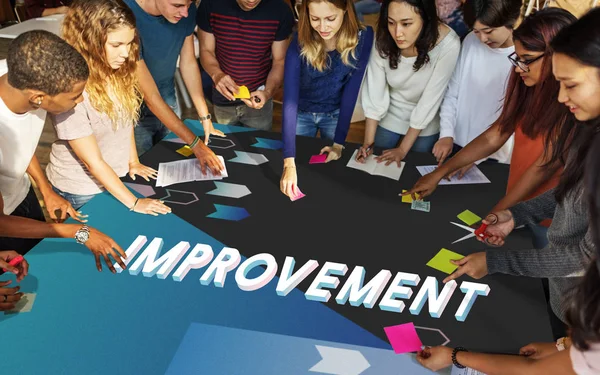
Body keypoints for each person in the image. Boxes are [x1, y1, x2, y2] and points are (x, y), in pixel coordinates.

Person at [417, 10, 600, 373]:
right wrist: (515, 213)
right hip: (570, 320)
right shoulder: (587, 130)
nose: (562, 97)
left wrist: (496, 261)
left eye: (571, 84)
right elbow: (570, 193)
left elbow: (582, 256)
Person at [406, 8, 577, 249]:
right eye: (516, 57)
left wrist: (496, 213)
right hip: (516, 198)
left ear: (557, 56)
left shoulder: (575, 104)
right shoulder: (526, 81)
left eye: (526, 59)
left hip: (552, 214)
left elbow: (544, 166)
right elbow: (497, 133)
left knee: (542, 270)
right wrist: (438, 173)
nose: (518, 67)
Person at [0, 31, 127, 272]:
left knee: (41, 262)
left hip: (22, 194)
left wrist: (45, 189)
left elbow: (19, 145)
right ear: (38, 97)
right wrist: (78, 232)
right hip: (5, 224)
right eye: (75, 96)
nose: (80, 101)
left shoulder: (20, 73)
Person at [45, 0, 172, 216]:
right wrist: (134, 203)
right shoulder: (70, 88)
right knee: (89, 242)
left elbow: (124, 119)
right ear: (90, 40)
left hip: (114, 176)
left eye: (130, 43)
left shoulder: (118, 69)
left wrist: (133, 161)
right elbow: (92, 162)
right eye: (116, 45)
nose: (125, 53)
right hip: (80, 188)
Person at [279, 0, 374, 198]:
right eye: (315, 19)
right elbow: (289, 99)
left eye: (331, 18)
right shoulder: (298, 40)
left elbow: (351, 91)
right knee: (298, 168)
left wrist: (339, 143)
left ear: (345, 11)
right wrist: (288, 163)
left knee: (330, 175)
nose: (322, 27)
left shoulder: (364, 37)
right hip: (300, 113)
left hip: (335, 113)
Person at [123, 0, 224, 174]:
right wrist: (195, 144)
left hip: (167, 94)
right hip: (130, 104)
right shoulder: (124, 12)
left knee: (174, 163)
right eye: (177, 6)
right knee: (144, 168)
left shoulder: (186, 9)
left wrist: (205, 117)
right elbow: (150, 96)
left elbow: (188, 62)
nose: (185, 13)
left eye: (189, 5)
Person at [357, 0, 460, 166]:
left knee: (413, 169)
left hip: (426, 121)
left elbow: (430, 101)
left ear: (425, 19)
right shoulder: (383, 38)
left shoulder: (449, 44)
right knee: (374, 162)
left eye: (406, 24)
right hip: (390, 114)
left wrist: (403, 149)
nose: (397, 33)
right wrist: (368, 144)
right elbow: (375, 92)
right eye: (391, 23)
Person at [433, 0, 522, 168]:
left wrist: (476, 156)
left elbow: (513, 118)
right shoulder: (470, 41)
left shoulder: (523, 58)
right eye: (476, 31)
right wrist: (446, 133)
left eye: (488, 31)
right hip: (456, 142)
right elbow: (452, 93)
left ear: (511, 21)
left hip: (494, 155)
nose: (482, 38)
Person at [197, 0, 295, 131]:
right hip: (223, 99)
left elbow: (279, 61)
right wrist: (217, 75)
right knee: (228, 145)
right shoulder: (210, 4)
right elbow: (206, 51)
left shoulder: (281, 10)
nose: (251, 0)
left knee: (260, 146)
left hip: (260, 98)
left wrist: (267, 92)